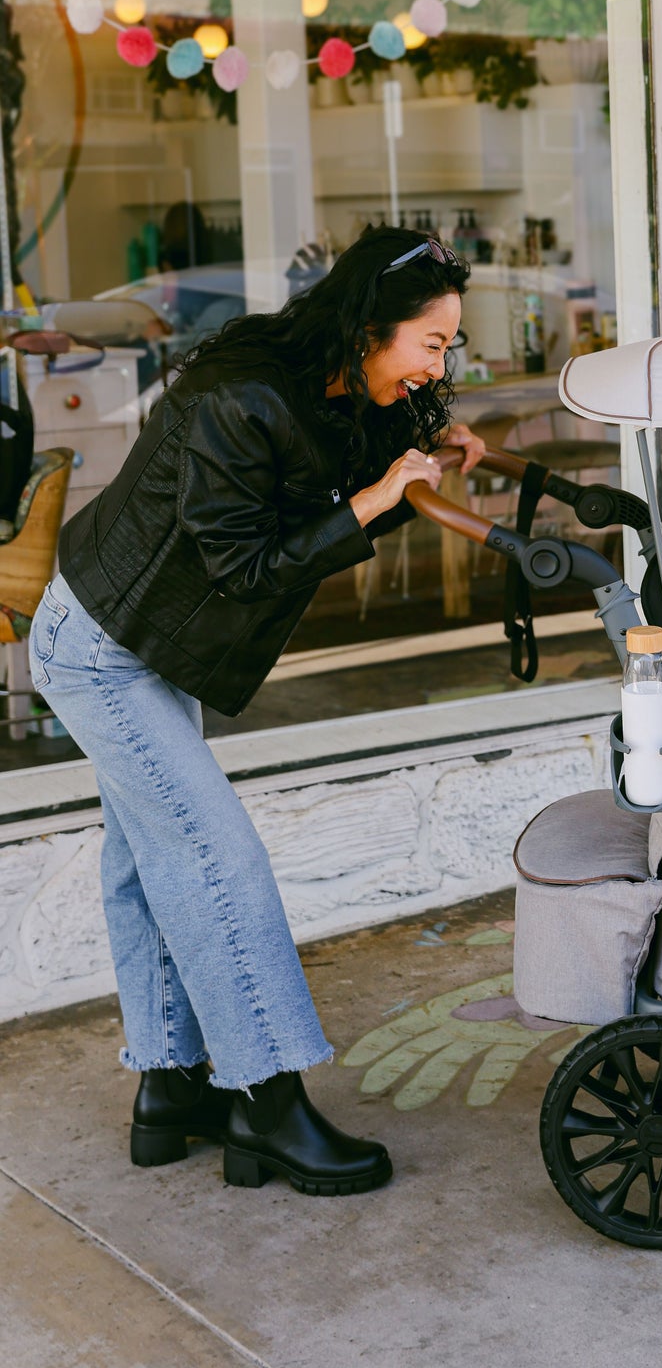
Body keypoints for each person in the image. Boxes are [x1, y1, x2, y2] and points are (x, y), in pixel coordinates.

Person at [28, 227, 484, 1197]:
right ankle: (268, 1104)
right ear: (370, 328)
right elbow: (248, 565)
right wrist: (374, 503)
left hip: (148, 643)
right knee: (214, 856)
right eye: (433, 344)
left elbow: (325, 491)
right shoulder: (243, 399)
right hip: (103, 651)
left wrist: (419, 458)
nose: (441, 362)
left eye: (448, 348)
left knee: (147, 859)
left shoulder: (324, 384)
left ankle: (169, 1089)